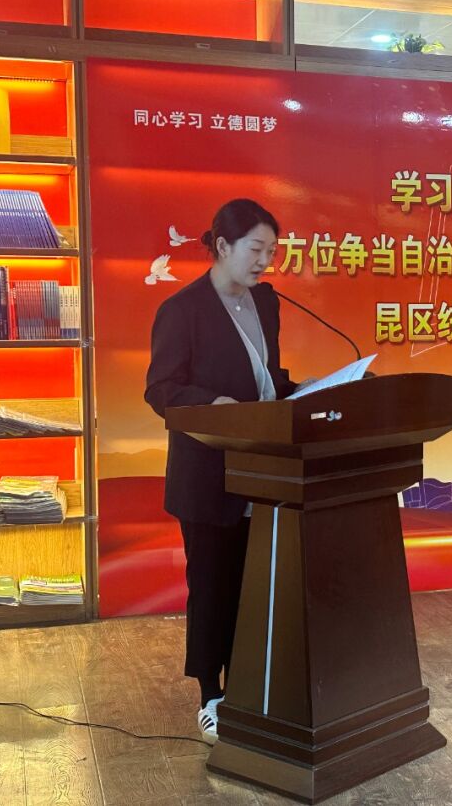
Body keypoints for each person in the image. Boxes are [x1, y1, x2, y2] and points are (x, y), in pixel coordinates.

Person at [144, 198, 298, 743]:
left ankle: (252, 687)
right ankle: (211, 695)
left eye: (271, 251)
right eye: (256, 249)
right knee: (212, 586)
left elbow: (266, 377)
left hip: (264, 468)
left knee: (257, 586)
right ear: (223, 245)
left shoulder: (267, 302)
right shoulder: (182, 310)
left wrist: (304, 391)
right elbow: (161, 389)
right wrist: (213, 405)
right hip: (208, 472)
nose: (264, 261)